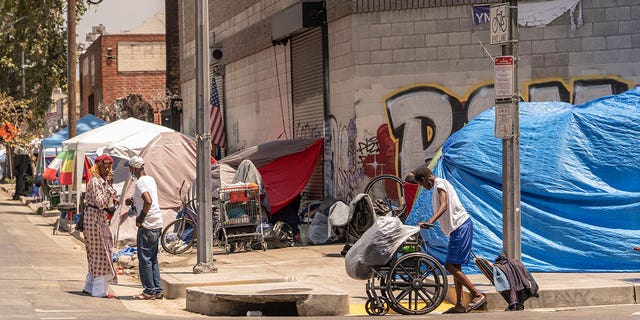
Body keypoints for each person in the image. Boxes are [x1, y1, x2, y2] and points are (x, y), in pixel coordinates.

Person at [413, 165, 486, 314]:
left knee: (450, 266)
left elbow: (444, 205)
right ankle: (459, 305)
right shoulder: (438, 185)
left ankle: (477, 294)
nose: (422, 187)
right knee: (455, 267)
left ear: (424, 179)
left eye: (421, 184)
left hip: (461, 227)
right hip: (457, 230)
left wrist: (430, 222)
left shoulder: (440, 184)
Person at [125, 156, 164, 300]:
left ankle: (149, 291)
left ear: (134, 168)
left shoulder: (140, 183)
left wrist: (141, 217)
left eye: (130, 168)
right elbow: (145, 198)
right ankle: (157, 289)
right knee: (152, 259)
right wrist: (132, 200)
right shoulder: (150, 179)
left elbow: (148, 200)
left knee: (145, 259)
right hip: (157, 223)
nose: (130, 171)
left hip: (147, 225)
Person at [82, 154, 119, 298]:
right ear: (97, 166)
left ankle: (90, 286)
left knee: (97, 253)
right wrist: (109, 189)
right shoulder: (95, 181)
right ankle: (99, 290)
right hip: (94, 219)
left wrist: (110, 186)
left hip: (99, 219)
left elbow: (112, 201)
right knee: (100, 254)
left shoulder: (102, 181)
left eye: (109, 165)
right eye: (104, 165)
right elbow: (101, 203)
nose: (107, 168)